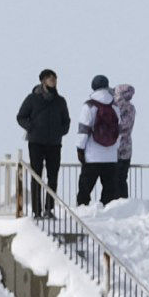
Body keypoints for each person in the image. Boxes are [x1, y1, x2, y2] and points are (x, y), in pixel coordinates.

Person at [15, 70, 68, 216]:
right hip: (36, 143)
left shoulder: (60, 101)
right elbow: (20, 117)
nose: (54, 81)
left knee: (53, 176)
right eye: (51, 79)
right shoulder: (32, 99)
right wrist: (31, 127)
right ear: (43, 81)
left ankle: (49, 210)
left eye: (55, 79)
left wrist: (61, 131)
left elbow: (66, 121)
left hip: (55, 143)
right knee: (36, 176)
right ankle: (36, 211)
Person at [75, 78, 120, 208]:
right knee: (109, 190)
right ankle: (107, 213)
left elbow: (83, 130)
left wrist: (80, 149)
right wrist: (115, 149)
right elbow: (119, 131)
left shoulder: (89, 105)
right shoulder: (115, 106)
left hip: (92, 156)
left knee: (85, 188)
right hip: (111, 156)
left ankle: (82, 212)